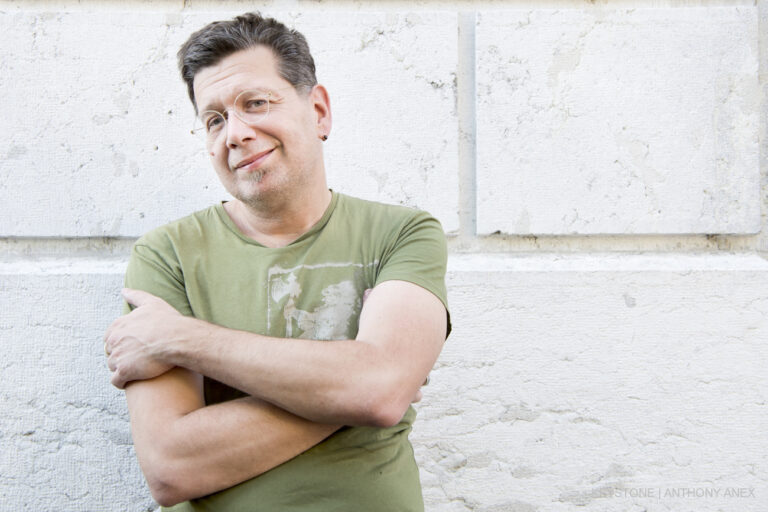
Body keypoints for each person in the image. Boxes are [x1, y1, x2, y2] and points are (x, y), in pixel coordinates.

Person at [103, 12, 450, 511]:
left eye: (255, 103)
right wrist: (361, 386)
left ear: (318, 111)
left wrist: (182, 339)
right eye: (214, 119)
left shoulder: (402, 233)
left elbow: (378, 390)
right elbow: (172, 467)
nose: (234, 133)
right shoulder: (168, 254)